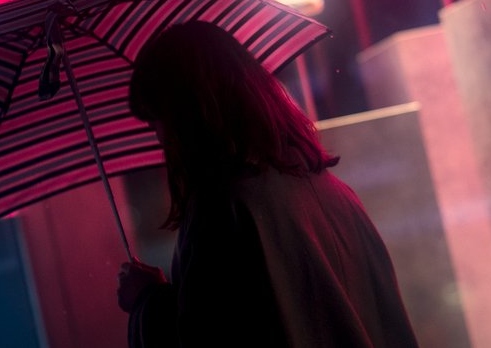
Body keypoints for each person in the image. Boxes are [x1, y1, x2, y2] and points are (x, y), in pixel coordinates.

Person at [116, 21, 419, 348]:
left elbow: (206, 336)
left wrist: (146, 301)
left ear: (190, 111)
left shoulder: (221, 209)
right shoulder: (337, 193)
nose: (160, 136)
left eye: (158, 118)